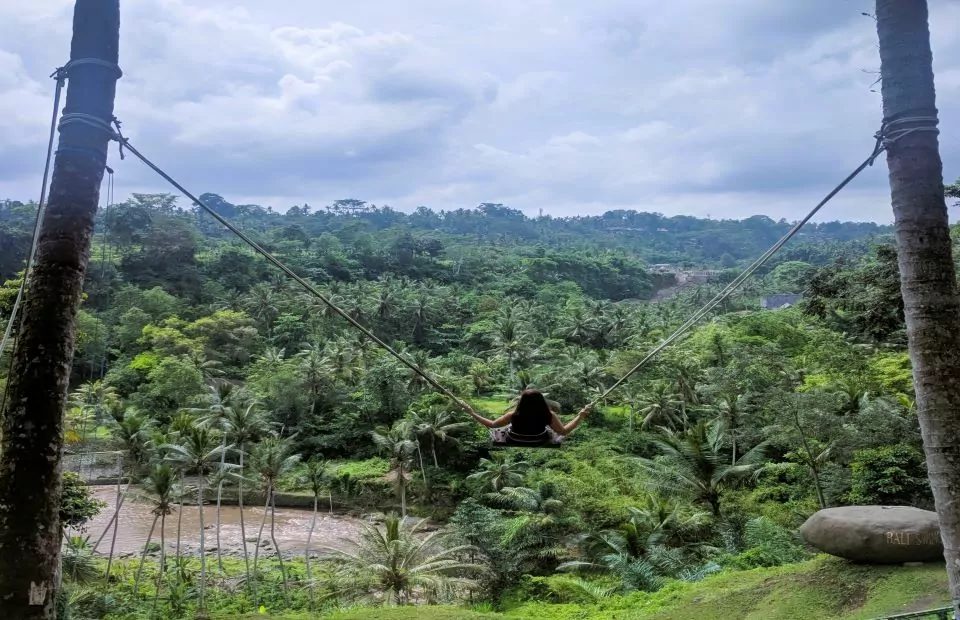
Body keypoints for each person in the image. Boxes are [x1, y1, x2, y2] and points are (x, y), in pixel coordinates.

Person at [460, 389, 592, 445]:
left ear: (521, 401)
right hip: (539, 440)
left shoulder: (514, 414)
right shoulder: (548, 415)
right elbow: (564, 431)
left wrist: (471, 413)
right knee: (556, 433)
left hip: (514, 439)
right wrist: (580, 416)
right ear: (541, 401)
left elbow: (492, 424)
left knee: (502, 429)